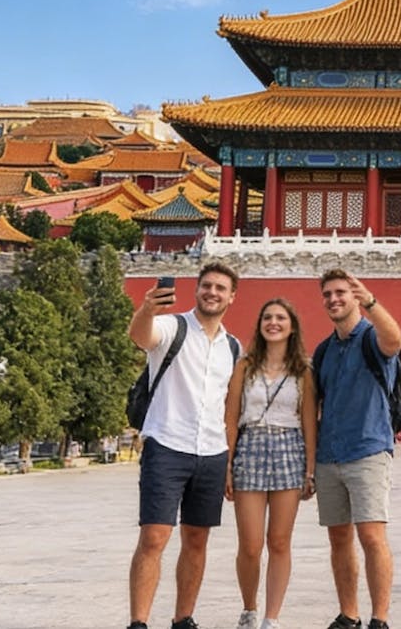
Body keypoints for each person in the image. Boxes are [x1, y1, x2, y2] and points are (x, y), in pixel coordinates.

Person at [126, 262, 240, 629]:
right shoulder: (172, 326)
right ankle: (139, 622)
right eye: (207, 285)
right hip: (167, 445)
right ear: (197, 289)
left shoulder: (233, 347)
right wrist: (147, 308)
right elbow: (140, 337)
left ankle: (183, 618)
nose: (212, 292)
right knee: (154, 536)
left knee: (197, 539)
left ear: (231, 297)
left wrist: (227, 462)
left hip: (210, 451)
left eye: (221, 288)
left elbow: (229, 408)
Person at [314, 269, 401, 629]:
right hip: (329, 454)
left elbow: (395, 339)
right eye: (328, 294)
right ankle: (349, 613)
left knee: (371, 536)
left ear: (354, 297)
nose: (334, 299)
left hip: (368, 449)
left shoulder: (372, 338)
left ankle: (379, 618)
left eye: (341, 293)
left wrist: (372, 303)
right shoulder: (323, 350)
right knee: (339, 538)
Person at [225, 298, 318, 629]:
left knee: (279, 541)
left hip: (288, 449)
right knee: (250, 545)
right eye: (267, 317)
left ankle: (271, 617)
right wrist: (228, 463)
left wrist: (310, 470)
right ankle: (249, 607)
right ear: (259, 324)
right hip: (250, 447)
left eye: (281, 318)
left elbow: (309, 422)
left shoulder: (303, 371)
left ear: (292, 327)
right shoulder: (244, 366)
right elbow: (231, 417)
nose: (273, 322)